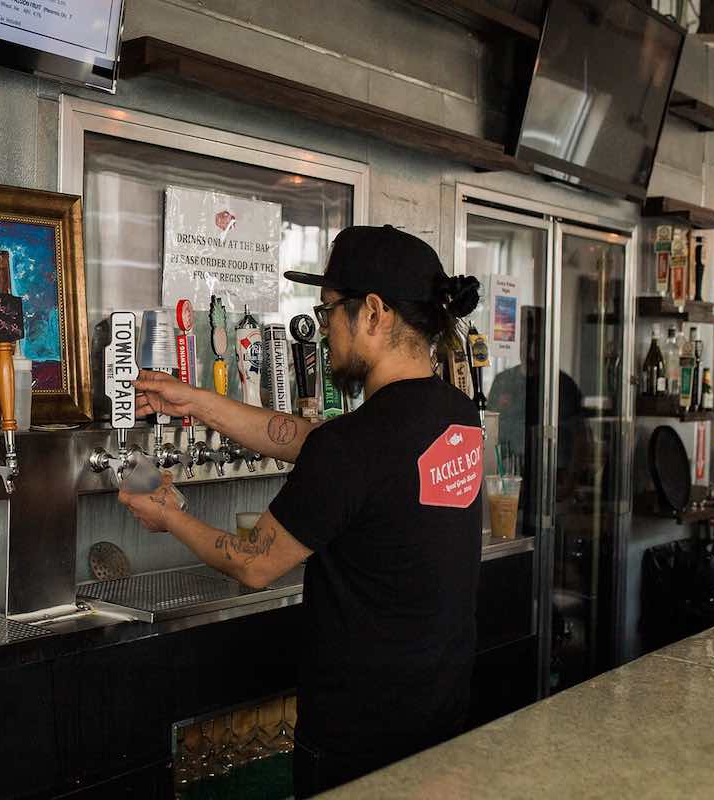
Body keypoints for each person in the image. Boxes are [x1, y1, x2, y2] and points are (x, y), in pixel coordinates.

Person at [118, 225, 483, 796]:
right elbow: (314, 442)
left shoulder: (356, 446)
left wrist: (169, 516)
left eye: (329, 309)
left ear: (374, 314)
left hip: (357, 742)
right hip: (438, 719)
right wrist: (197, 401)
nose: (325, 329)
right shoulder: (457, 417)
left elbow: (253, 564)